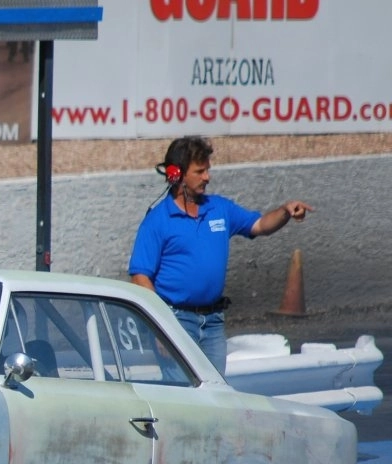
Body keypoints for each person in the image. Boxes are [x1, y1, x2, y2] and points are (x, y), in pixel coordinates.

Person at [128, 135, 313, 374]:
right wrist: (161, 327)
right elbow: (140, 278)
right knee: (183, 392)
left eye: (208, 170)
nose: (207, 177)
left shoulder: (219, 208)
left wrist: (285, 211)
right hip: (176, 321)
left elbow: (259, 225)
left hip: (213, 322)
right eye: (200, 171)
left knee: (216, 390)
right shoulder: (157, 221)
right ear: (176, 174)